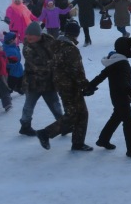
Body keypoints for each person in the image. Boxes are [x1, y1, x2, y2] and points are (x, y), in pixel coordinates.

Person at [35, 20, 93, 152]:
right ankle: (46, 133)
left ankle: (78, 143)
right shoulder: (70, 49)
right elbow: (76, 70)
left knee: (81, 113)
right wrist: (86, 85)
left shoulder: (56, 45)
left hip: (61, 84)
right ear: (76, 34)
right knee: (73, 114)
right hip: (69, 86)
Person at [85, 37, 131, 159]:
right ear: (125, 49)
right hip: (122, 98)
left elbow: (101, 76)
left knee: (116, 117)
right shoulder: (122, 64)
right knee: (128, 123)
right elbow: (123, 84)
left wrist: (90, 86)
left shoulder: (114, 61)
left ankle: (103, 140)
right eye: (130, 48)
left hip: (116, 96)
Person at [19, 22, 64, 136]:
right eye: (27, 34)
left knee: (55, 104)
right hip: (33, 82)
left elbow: (58, 51)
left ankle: (63, 125)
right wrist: (55, 63)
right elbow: (37, 66)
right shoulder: (27, 48)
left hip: (49, 82)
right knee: (29, 105)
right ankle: (25, 126)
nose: (28, 37)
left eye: (31, 35)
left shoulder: (49, 39)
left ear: (39, 35)